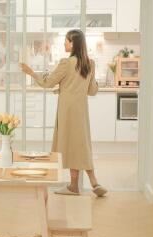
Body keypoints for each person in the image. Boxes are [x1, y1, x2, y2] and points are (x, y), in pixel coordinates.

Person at [20, 29, 107, 197]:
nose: (64, 44)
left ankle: (77, 185)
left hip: (67, 110)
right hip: (81, 110)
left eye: (66, 41)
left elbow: (48, 82)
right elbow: (92, 90)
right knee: (81, 144)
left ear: (73, 43)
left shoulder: (66, 63)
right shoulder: (90, 63)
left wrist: (31, 72)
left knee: (71, 145)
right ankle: (88, 182)